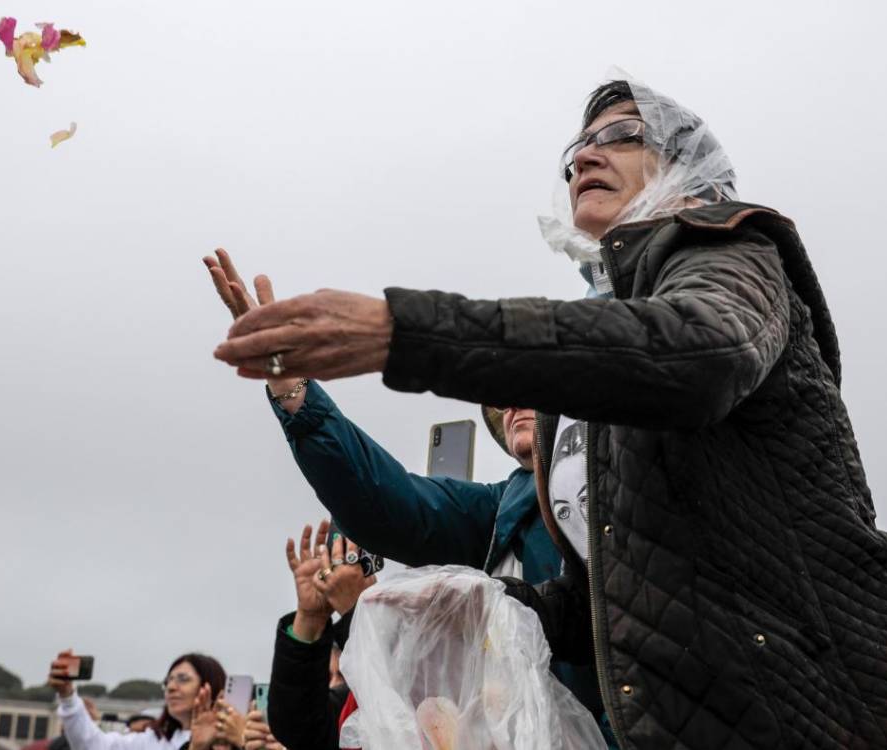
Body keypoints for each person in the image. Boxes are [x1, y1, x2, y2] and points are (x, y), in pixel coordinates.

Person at [211, 76, 887, 748]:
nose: (583, 158)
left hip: (848, 712)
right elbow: (616, 600)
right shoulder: (578, 424)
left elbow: (699, 357)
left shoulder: (726, 247)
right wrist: (490, 604)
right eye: (575, 149)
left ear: (687, 164)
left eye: (620, 134)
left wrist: (400, 331)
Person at [202, 249, 613, 743]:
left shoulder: (630, 478)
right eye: (499, 396)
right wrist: (291, 386)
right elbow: (384, 500)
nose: (510, 402)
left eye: (530, 385)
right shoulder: (500, 506)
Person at [264, 522, 372, 750]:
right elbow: (298, 728)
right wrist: (310, 617)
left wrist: (359, 610)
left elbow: (401, 696)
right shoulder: (348, 701)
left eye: (343, 673)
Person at [49, 651, 238, 750]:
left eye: (183, 679)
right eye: (168, 681)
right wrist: (68, 697)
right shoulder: (151, 741)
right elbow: (92, 746)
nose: (172, 687)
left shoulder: (231, 741)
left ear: (208, 686)